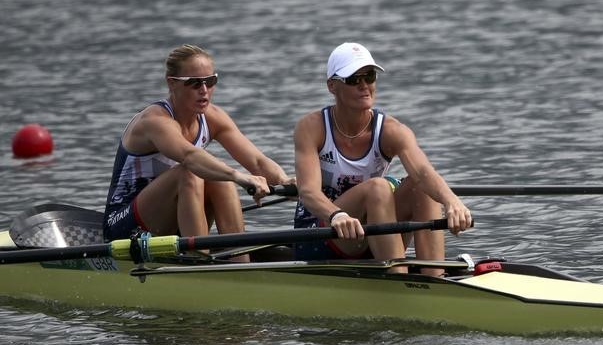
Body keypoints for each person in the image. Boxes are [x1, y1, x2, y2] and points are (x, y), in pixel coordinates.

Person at [292, 42, 472, 275]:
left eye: (369, 76)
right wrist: (337, 214)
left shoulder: (392, 130)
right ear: (332, 86)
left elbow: (423, 172)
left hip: (372, 235)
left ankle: (433, 278)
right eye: (354, 80)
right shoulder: (312, 127)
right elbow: (308, 192)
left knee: (420, 187)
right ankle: (399, 283)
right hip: (321, 235)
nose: (364, 86)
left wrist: (452, 202)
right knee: (378, 187)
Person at [103, 44, 292, 262]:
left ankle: (240, 264)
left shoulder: (213, 117)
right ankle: (200, 264)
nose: (204, 90)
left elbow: (258, 161)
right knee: (193, 172)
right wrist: (239, 177)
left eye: (210, 81)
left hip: (173, 226)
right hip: (123, 229)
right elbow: (189, 156)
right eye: (194, 83)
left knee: (219, 178)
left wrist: (285, 181)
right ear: (171, 83)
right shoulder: (155, 121)